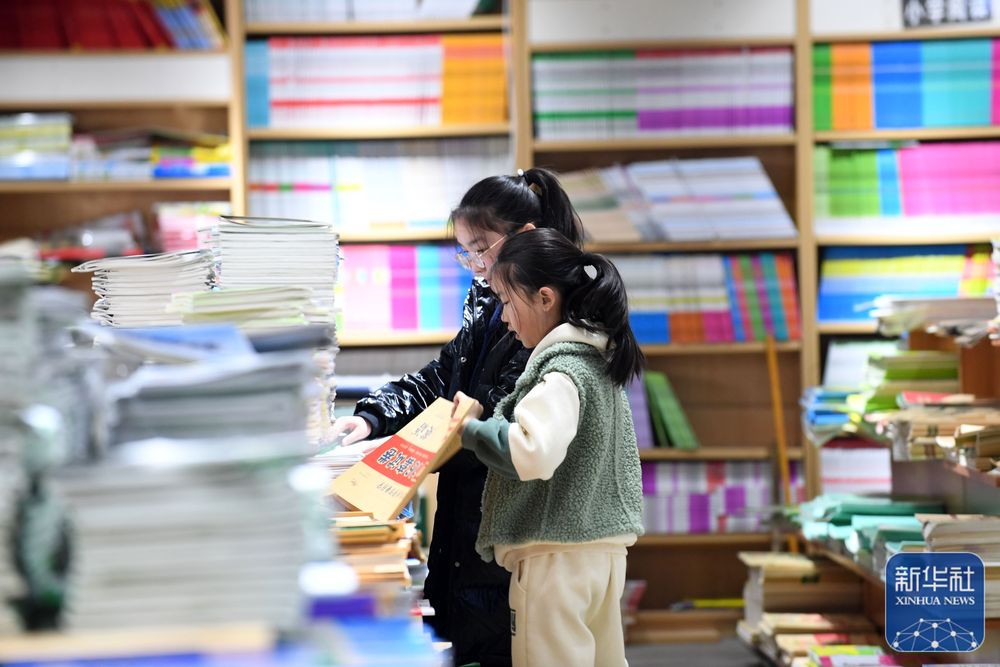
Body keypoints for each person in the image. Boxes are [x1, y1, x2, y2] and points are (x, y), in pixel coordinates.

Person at [331, 168, 583, 667]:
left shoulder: (544, 314)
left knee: (498, 641)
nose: (476, 266)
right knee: (465, 632)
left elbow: (500, 416)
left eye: (481, 249)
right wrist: (372, 417)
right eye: (465, 253)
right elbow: (445, 376)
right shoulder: (489, 299)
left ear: (524, 236)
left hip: (506, 522)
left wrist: (447, 431)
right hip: (466, 514)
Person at [453, 228, 645, 667]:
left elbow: (531, 453)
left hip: (556, 556)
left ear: (544, 298)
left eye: (506, 302)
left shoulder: (560, 372)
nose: (504, 318)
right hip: (599, 553)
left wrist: (470, 429)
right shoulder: (597, 362)